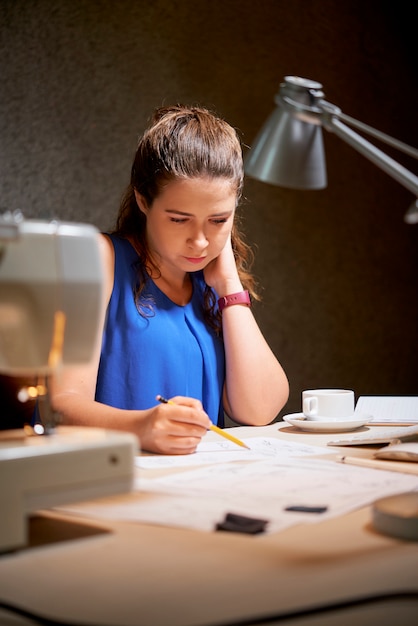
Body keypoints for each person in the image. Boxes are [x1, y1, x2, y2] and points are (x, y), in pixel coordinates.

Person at [51, 105, 289, 454]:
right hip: (117, 484)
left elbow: (259, 409)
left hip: (200, 487)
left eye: (218, 220)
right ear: (142, 199)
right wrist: (141, 427)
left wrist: (228, 285)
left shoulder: (211, 284)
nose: (201, 241)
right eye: (179, 220)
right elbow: (61, 406)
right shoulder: (99, 259)